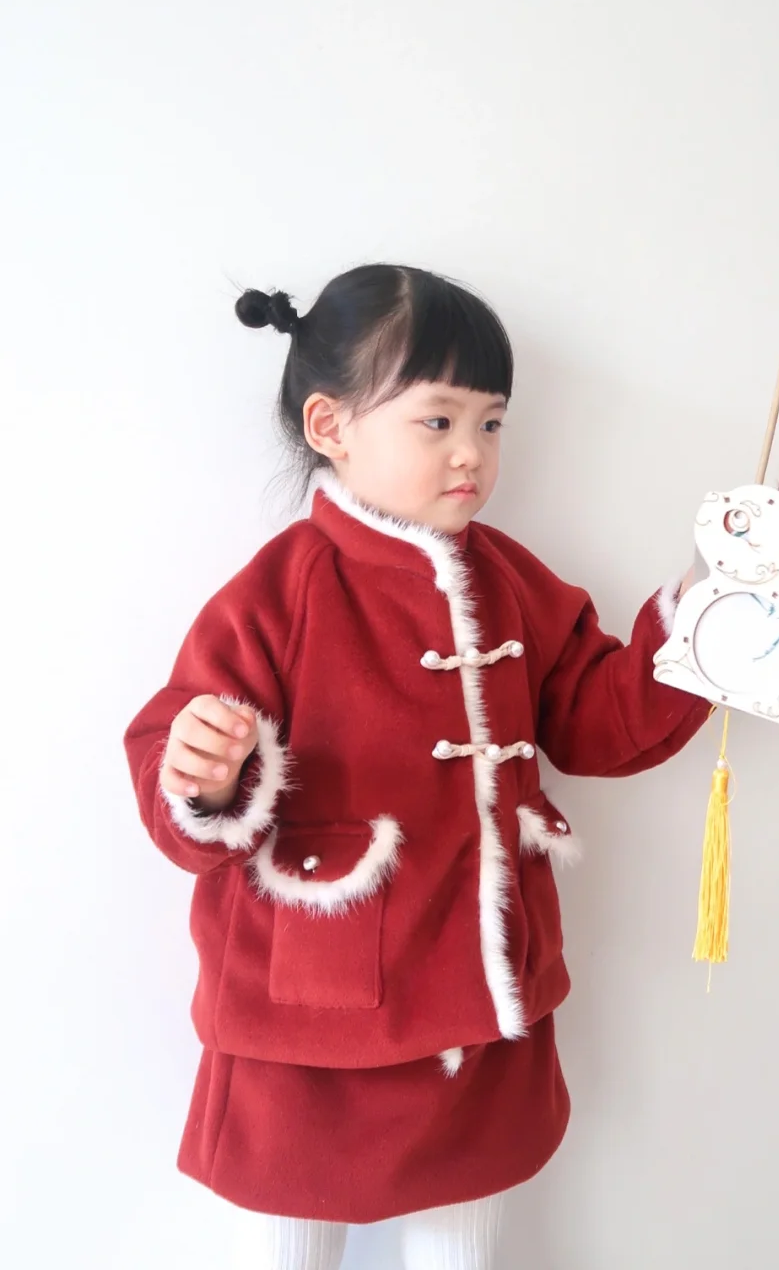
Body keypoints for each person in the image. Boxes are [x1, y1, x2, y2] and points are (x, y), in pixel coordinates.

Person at [124, 263, 708, 1269]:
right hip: (305, 1020)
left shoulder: (511, 579)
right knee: (289, 1245)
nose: (472, 451)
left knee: (463, 1242)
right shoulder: (277, 592)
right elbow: (175, 756)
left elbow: (599, 718)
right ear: (331, 425)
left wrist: (704, 617)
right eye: (438, 420)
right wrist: (204, 773)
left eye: (492, 422)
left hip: (481, 1000)